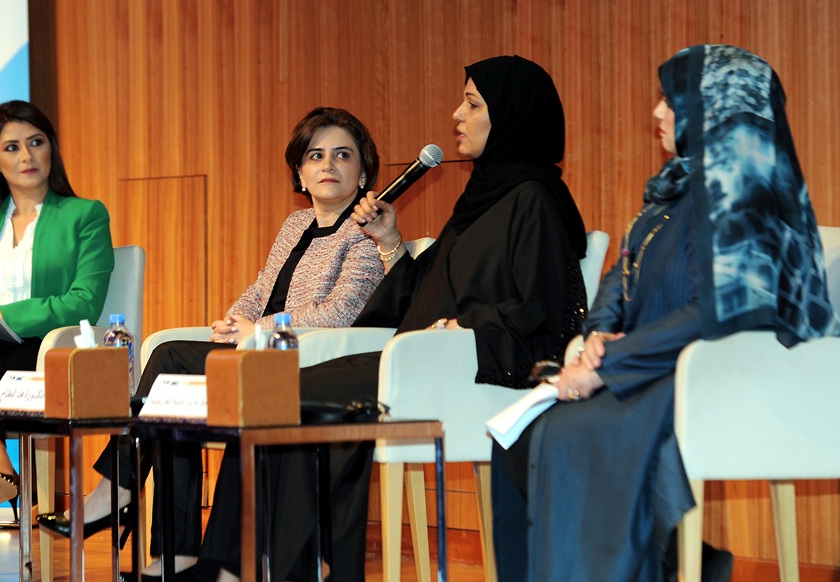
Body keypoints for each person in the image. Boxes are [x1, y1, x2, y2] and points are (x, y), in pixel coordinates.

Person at [193, 55, 590, 582]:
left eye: (472, 105)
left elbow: (546, 312)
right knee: (273, 387)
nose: (457, 115)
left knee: (296, 395)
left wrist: (463, 327)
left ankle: (296, 566)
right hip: (422, 356)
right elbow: (427, 293)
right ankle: (235, 564)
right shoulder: (481, 198)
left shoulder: (535, 200)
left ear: (512, 116)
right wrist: (389, 242)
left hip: (471, 367)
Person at [491, 44, 840, 582]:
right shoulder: (670, 193)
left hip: (718, 377)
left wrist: (607, 366)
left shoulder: (746, 196)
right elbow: (620, 276)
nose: (657, 112)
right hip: (653, 367)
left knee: (569, 431)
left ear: (717, 108)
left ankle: (659, 564)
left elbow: (716, 312)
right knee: (518, 431)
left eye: (672, 101)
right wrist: (598, 336)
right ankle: (676, 559)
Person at [36, 106, 385, 582]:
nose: (328, 165)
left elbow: (340, 312)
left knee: (171, 359)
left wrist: (258, 329)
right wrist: (232, 321)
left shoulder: (366, 233)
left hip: (307, 363)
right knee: (171, 383)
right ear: (300, 174)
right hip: (255, 352)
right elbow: (261, 288)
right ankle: (174, 551)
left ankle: (117, 493)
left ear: (363, 172)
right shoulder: (295, 225)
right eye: (315, 155)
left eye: (342, 155)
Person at [0, 100, 115, 578]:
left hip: (43, 351)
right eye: (12, 147)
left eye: (36, 142)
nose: (27, 155)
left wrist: (2, 314)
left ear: (51, 148)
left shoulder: (84, 215)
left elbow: (84, 301)